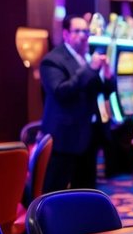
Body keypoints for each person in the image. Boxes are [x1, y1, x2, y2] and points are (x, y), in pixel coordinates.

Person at [39, 15, 115, 192]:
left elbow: (105, 91)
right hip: (64, 136)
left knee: (86, 191)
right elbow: (62, 92)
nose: (83, 35)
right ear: (66, 34)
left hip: (89, 134)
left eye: (86, 31)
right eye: (77, 31)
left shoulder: (87, 57)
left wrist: (108, 73)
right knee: (55, 192)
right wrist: (90, 69)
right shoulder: (52, 60)